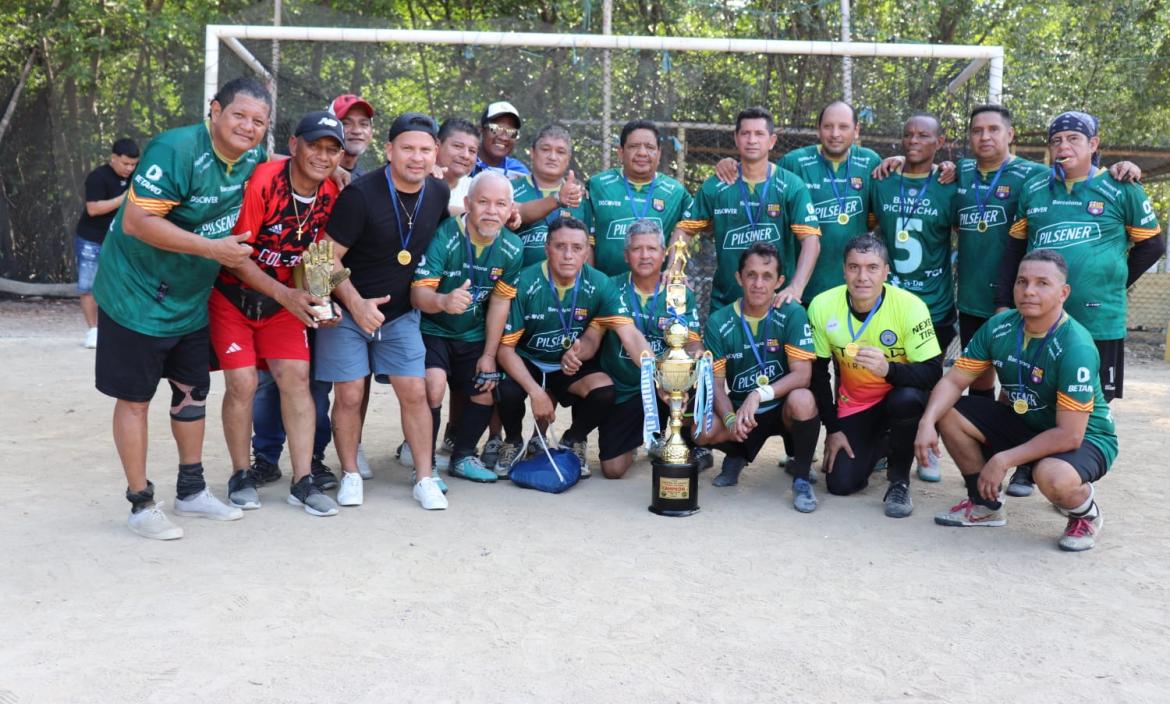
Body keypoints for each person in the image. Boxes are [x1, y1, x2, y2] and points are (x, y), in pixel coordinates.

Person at [92, 77, 271, 539]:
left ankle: (191, 491)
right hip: (134, 293)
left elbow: (282, 174)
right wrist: (212, 249)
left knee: (192, 393)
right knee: (134, 399)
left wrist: (332, 171)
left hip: (189, 298)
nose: (248, 128)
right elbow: (135, 221)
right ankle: (140, 504)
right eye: (239, 115)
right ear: (214, 110)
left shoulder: (254, 158)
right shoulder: (175, 150)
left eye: (258, 121)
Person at [916, 250, 1118, 552]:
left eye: (1042, 283)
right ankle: (985, 505)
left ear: (1063, 293)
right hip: (1028, 423)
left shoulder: (1075, 344)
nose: (1029, 291)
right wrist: (926, 422)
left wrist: (1004, 459)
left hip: (1085, 437)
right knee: (948, 413)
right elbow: (954, 381)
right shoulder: (1000, 327)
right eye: (1022, 281)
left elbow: (1070, 434)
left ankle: (1085, 512)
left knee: (1052, 476)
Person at [211, 111, 347, 517]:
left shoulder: (332, 195)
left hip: (283, 301)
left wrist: (321, 303)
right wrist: (286, 294)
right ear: (294, 145)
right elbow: (236, 258)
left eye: (331, 150)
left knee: (296, 378)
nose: (322, 157)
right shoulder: (265, 181)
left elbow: (318, 256)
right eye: (314, 146)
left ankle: (303, 480)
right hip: (234, 297)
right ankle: (240, 474)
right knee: (242, 382)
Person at [316, 112, 451, 510]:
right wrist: (355, 304)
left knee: (416, 390)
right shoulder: (360, 195)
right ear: (389, 150)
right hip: (348, 310)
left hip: (401, 314)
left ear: (435, 154)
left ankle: (424, 478)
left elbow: (454, 232)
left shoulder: (439, 194)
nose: (416, 157)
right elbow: (320, 260)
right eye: (407, 148)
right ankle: (351, 474)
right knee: (350, 393)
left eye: (425, 150)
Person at [1000, 111, 1164, 403]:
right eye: (1056, 140)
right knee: (1034, 399)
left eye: (1074, 139)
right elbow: (1014, 249)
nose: (1064, 147)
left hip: (1098, 319)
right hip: (1040, 320)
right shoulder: (1034, 189)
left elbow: (1152, 246)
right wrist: (1003, 302)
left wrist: (1114, 279)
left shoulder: (1122, 186)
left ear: (1094, 144)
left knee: (1092, 406)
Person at [495, 216, 651, 476]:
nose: (568, 255)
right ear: (547, 249)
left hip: (567, 364)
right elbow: (504, 350)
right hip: (528, 360)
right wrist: (535, 392)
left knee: (603, 390)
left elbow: (630, 335)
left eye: (577, 248)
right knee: (506, 389)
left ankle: (572, 439)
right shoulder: (524, 282)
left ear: (586, 251)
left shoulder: (600, 283)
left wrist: (656, 373)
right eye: (560, 246)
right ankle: (512, 441)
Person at [806, 235, 943, 518]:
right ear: (843, 270)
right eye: (854, 267)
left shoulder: (910, 306)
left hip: (902, 399)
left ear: (885, 272)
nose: (862, 277)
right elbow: (818, 375)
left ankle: (899, 481)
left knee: (904, 399)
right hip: (857, 404)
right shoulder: (821, 306)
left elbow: (933, 373)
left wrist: (889, 370)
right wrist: (833, 429)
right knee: (840, 484)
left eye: (872, 267)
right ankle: (884, 444)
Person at [410, 171, 524, 486]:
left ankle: (462, 458)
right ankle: (425, 463)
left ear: (510, 208)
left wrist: (489, 354)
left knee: (486, 390)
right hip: (433, 328)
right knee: (432, 385)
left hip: (472, 334)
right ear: (467, 204)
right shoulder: (445, 236)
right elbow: (417, 295)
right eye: (483, 202)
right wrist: (444, 301)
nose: (491, 210)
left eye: (500, 204)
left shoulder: (513, 248)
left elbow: (500, 304)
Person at [697, 243, 821, 512]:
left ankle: (800, 477)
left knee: (803, 399)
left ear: (780, 281)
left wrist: (759, 393)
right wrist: (730, 419)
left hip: (780, 407)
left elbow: (803, 375)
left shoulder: (792, 313)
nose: (758, 284)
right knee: (702, 428)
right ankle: (736, 454)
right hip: (743, 413)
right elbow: (716, 384)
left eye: (767, 276)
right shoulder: (719, 321)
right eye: (751, 275)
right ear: (739, 278)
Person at [676, 106, 821, 309]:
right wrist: (675, 271)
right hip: (726, 303)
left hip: (777, 304)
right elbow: (684, 229)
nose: (752, 140)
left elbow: (811, 241)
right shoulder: (715, 186)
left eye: (759, 134)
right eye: (745, 133)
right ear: (736, 138)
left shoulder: (791, 185)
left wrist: (796, 288)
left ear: (772, 141)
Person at [596, 220, 707, 480]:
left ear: (663, 253)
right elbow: (594, 337)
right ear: (626, 255)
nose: (644, 255)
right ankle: (644, 439)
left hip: (667, 388)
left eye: (651, 249)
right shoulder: (610, 287)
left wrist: (698, 354)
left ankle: (689, 442)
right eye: (637, 249)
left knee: (697, 370)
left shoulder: (678, 291)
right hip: (625, 389)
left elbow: (691, 341)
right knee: (612, 470)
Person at [868, 113, 959, 356]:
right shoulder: (881, 180)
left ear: (939, 142)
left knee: (926, 379)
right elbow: (865, 228)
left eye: (923, 135)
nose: (913, 141)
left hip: (934, 305)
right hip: (886, 300)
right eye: (908, 135)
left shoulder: (950, 185)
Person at [584, 119, 693, 276]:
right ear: (620, 152)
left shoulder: (675, 192)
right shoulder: (597, 186)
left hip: (655, 291)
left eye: (649, 147)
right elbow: (583, 236)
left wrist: (675, 268)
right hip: (606, 289)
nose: (642, 153)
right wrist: (590, 281)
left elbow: (695, 225)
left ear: (659, 153)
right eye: (634, 146)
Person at [75, 138, 139, 349]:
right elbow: (93, 209)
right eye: (125, 164)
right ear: (113, 158)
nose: (130, 168)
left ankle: (121, 329)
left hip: (120, 240)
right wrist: (122, 199)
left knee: (122, 284)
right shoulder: (98, 177)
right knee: (88, 286)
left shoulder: (138, 178)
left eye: (133, 164)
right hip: (91, 239)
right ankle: (93, 331)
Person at [512, 124, 588, 266]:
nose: (552, 157)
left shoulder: (581, 196)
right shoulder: (510, 189)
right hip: (519, 282)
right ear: (533, 153)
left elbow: (588, 247)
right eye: (546, 150)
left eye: (560, 152)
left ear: (568, 158)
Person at [436, 117, 480, 216]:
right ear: (437, 146)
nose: (465, 155)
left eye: (472, 151)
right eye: (457, 146)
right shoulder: (419, 178)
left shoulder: (474, 188)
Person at [473, 101, 530, 178]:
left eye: (511, 131)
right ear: (481, 129)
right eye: (496, 129)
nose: (504, 137)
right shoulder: (465, 162)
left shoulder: (518, 172)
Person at [328, 93, 376, 178]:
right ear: (328, 128)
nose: (357, 131)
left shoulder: (368, 183)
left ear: (371, 132)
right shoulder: (308, 174)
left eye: (363, 124)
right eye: (346, 123)